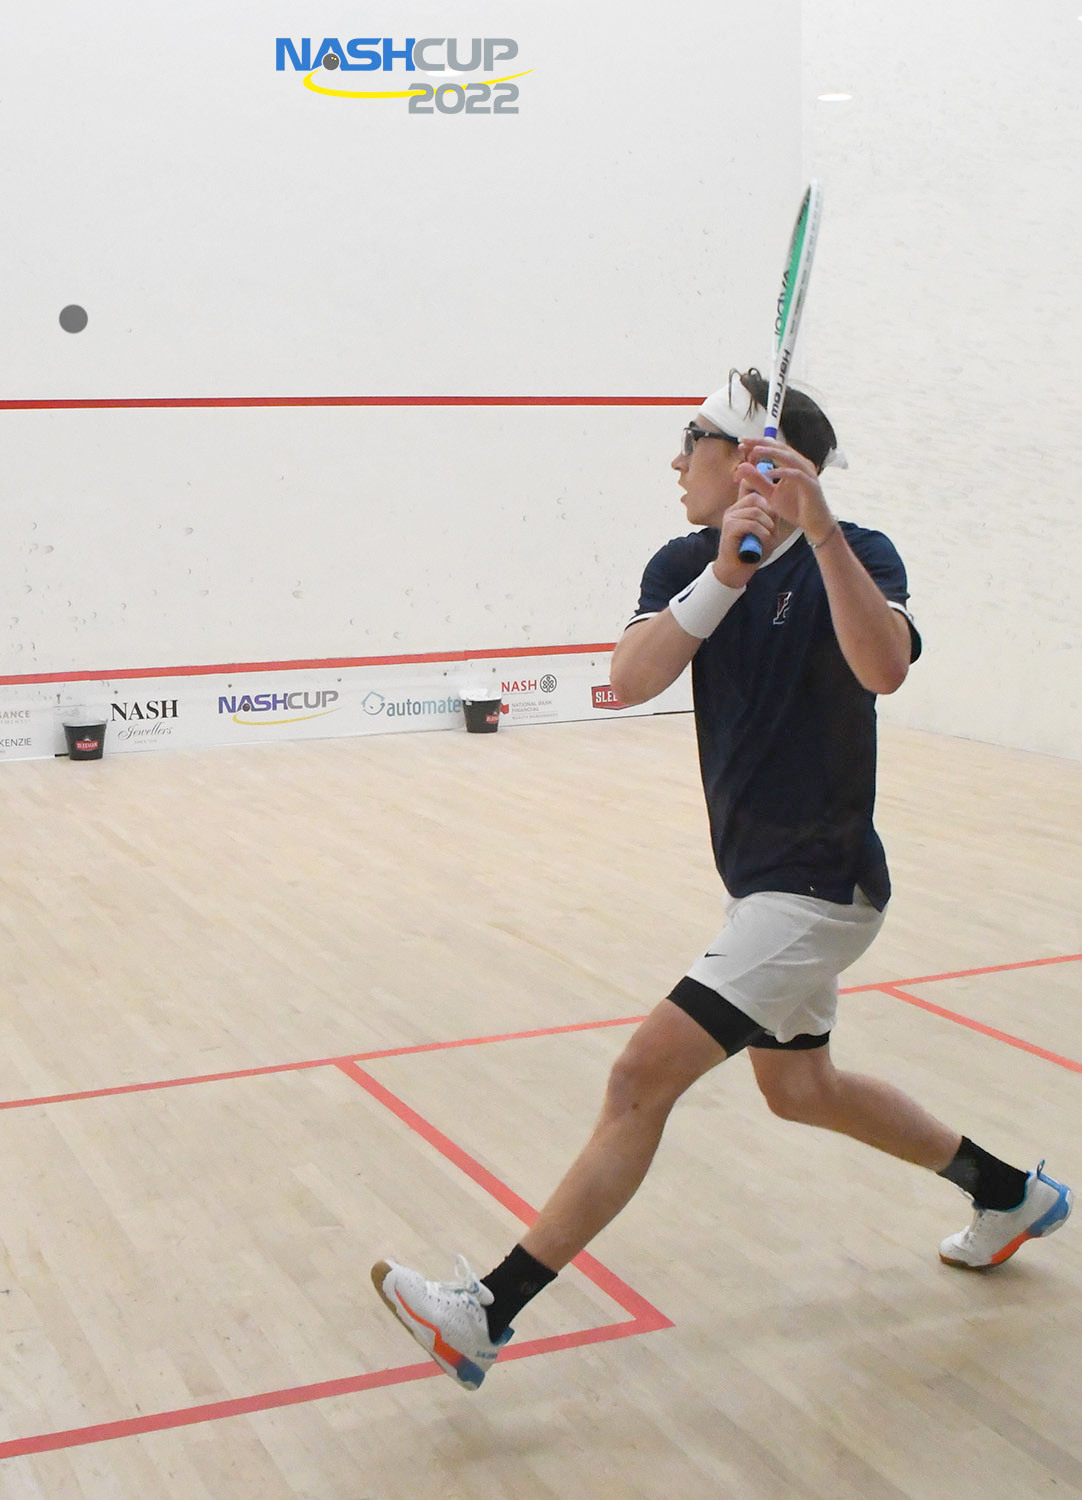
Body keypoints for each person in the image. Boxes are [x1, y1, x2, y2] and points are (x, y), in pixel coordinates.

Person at [371, 368, 1073, 1392]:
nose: (673, 461)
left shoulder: (858, 553)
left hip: (820, 886)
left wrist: (816, 533)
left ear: (751, 459)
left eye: (690, 439)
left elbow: (883, 668)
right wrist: (724, 577)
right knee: (800, 1089)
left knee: (637, 1079)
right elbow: (629, 680)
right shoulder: (686, 561)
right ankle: (1008, 1194)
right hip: (761, 884)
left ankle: (486, 1312)